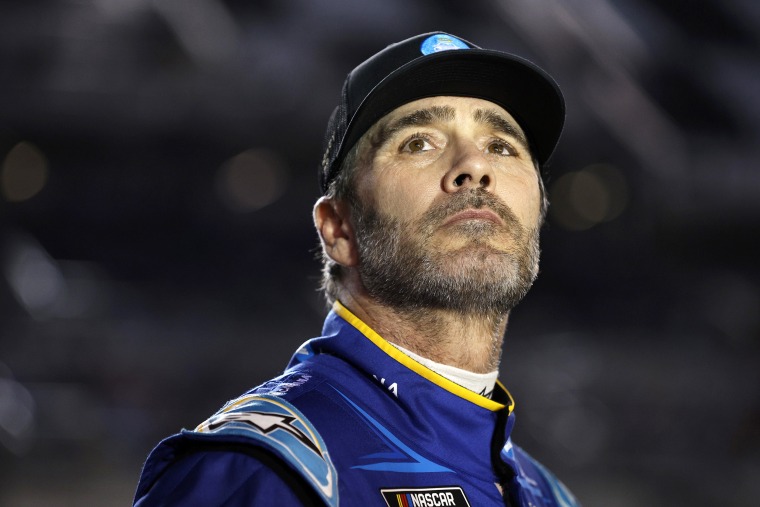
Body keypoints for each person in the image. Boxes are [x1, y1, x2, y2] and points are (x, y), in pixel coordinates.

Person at [133, 31, 579, 507]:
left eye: (503, 145)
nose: (474, 166)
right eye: (419, 143)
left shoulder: (549, 495)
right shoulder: (257, 474)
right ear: (338, 230)